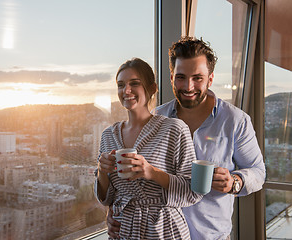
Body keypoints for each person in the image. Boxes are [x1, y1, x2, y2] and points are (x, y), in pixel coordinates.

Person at [106, 37, 266, 240]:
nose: (188, 87)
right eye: (181, 77)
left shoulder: (235, 120)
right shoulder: (156, 117)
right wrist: (113, 211)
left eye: (197, 78)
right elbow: (136, 181)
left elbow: (258, 172)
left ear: (210, 78)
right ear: (171, 78)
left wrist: (234, 182)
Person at [94, 57, 202, 239]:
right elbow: (107, 198)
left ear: (152, 88)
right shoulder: (108, 135)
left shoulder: (174, 129)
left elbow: (193, 191)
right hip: (123, 229)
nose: (126, 90)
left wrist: (151, 172)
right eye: (121, 85)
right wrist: (101, 171)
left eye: (134, 83)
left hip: (164, 230)